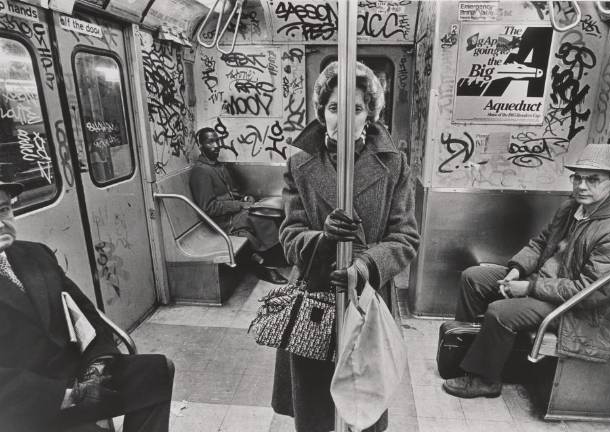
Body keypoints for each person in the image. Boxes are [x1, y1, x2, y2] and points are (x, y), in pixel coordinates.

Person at [271, 61, 420, 431]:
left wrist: (365, 266)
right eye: (335, 108)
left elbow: (405, 237)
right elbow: (289, 236)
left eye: (355, 109)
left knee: (363, 400)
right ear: (322, 112)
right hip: (315, 296)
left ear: (369, 113)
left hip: (366, 295)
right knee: (317, 410)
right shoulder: (299, 164)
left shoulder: (394, 165)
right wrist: (322, 238)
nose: (344, 118)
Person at [442, 143, 610, 399]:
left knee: (501, 312)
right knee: (474, 278)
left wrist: (529, 288)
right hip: (544, 284)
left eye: (593, 180)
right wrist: (516, 270)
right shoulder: (573, 208)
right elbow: (541, 243)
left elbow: (590, 292)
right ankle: (469, 352)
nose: (582, 186)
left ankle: (486, 379)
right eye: (578, 178)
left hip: (580, 309)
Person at [0, 181, 175, 432]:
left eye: (3, 210)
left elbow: (86, 313)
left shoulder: (36, 255)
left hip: (76, 375)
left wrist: (97, 365)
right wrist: (65, 396)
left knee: (157, 371)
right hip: (26, 405)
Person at [190, 128, 288, 285]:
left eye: (217, 140)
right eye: (210, 142)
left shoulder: (219, 167)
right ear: (200, 146)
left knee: (267, 213)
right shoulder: (201, 172)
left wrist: (245, 198)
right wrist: (240, 205)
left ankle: (275, 258)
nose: (216, 145)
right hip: (221, 221)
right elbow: (208, 208)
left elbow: (232, 192)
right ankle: (266, 265)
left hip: (233, 213)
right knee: (258, 217)